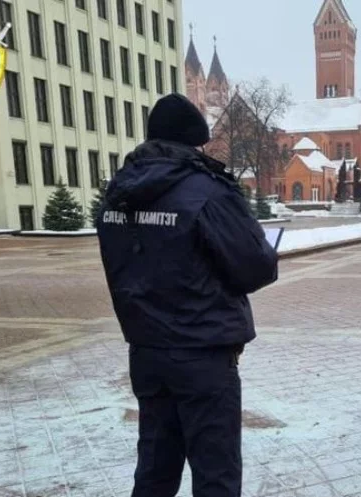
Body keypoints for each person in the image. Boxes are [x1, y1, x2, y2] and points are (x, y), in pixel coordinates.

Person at [96, 94, 279, 497]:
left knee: (155, 471)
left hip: (146, 351)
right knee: (216, 474)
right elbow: (256, 267)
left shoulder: (118, 194)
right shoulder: (206, 191)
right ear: (193, 142)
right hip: (203, 355)